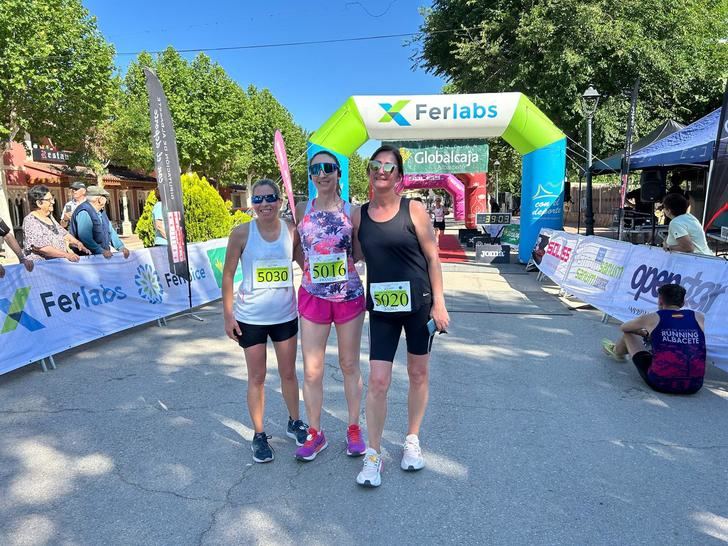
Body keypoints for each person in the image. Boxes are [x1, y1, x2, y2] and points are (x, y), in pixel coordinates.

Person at [353, 145, 450, 487]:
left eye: (389, 167)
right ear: (368, 171)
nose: (381, 170)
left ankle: (411, 439)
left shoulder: (415, 209)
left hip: (419, 304)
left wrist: (439, 303)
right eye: (375, 165)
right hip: (382, 308)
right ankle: (374, 454)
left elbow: (433, 258)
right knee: (378, 380)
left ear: (399, 176)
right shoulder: (358, 214)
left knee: (418, 372)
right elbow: (353, 253)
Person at [221, 179, 308, 463]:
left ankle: (295, 422)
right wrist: (228, 315)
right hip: (251, 318)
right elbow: (228, 275)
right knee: (257, 378)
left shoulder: (291, 230)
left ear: (280, 201)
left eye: (270, 198)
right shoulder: (241, 233)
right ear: (252, 204)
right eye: (258, 200)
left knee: (288, 373)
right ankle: (259, 435)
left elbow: (306, 266)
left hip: (285, 316)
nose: (264, 204)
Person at [293, 151, 366, 462]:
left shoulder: (354, 211)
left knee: (349, 365)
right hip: (313, 297)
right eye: (316, 169)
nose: (322, 174)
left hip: (348, 296)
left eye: (328, 168)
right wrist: (311, 268)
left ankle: (353, 427)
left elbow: (360, 253)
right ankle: (315, 432)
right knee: (312, 371)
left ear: (339, 174)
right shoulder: (301, 208)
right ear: (310, 175)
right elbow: (296, 250)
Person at [601, 284, 706, 395]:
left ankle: (617, 351)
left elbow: (624, 327)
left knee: (628, 334)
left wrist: (642, 332)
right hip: (695, 385)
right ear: (683, 302)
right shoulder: (699, 317)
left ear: (660, 300)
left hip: (661, 382)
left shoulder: (653, 317)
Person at [22, 185, 89, 262]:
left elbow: (64, 234)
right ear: (39, 203)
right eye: (49, 200)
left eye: (52, 198)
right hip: (42, 267)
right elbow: (42, 248)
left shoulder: (50, 217)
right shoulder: (30, 221)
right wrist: (66, 255)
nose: (53, 202)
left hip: (57, 264)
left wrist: (77, 243)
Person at [69, 186, 130, 259]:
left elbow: (110, 231)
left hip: (101, 256)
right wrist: (101, 251)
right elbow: (85, 238)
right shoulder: (84, 211)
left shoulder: (101, 212)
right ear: (100, 199)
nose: (106, 200)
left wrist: (120, 247)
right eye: (105, 197)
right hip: (88, 259)